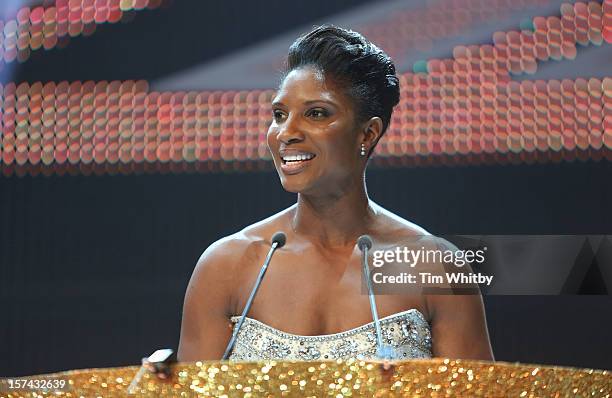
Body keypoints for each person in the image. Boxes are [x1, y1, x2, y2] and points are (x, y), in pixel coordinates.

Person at [178, 25, 494, 362]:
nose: (286, 133)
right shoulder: (228, 266)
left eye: (316, 113)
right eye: (279, 115)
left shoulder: (434, 267)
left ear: (368, 133)